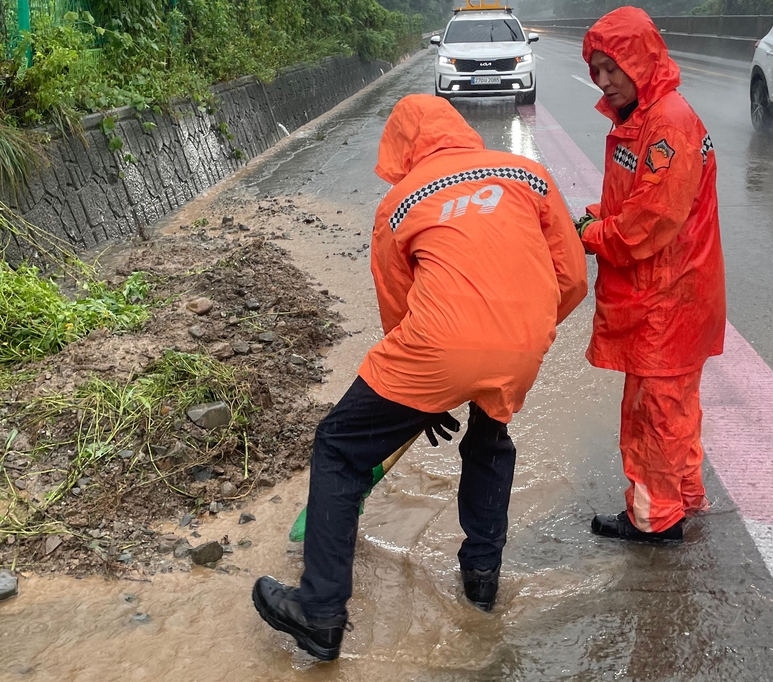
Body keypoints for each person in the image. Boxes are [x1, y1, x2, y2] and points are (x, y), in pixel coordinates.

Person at [252, 94, 589, 661]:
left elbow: (399, 313)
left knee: (338, 449)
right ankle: (482, 582)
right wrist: (521, 333)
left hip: (436, 346)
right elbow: (572, 275)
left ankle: (321, 611)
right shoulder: (527, 174)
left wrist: (423, 395)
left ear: (402, 147)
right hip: (526, 338)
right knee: (488, 441)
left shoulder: (401, 201)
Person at [576, 7, 726, 543]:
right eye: (596, 70)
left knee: (654, 413)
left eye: (612, 67)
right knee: (675, 406)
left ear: (640, 60)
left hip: (667, 297)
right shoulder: (645, 118)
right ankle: (682, 498)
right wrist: (599, 215)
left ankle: (654, 519)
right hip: (672, 293)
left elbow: (648, 223)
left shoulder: (667, 124)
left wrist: (590, 234)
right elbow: (638, 201)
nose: (604, 81)